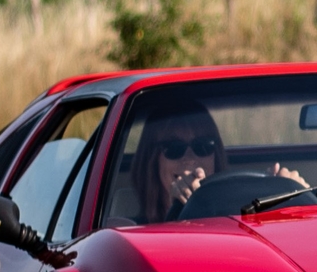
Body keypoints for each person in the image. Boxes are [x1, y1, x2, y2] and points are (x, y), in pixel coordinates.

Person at [125, 93, 302, 222]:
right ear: (151, 160)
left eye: (203, 146)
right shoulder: (128, 234)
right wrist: (176, 211)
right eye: (174, 148)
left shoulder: (243, 216)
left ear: (215, 155)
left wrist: (297, 197)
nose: (190, 158)